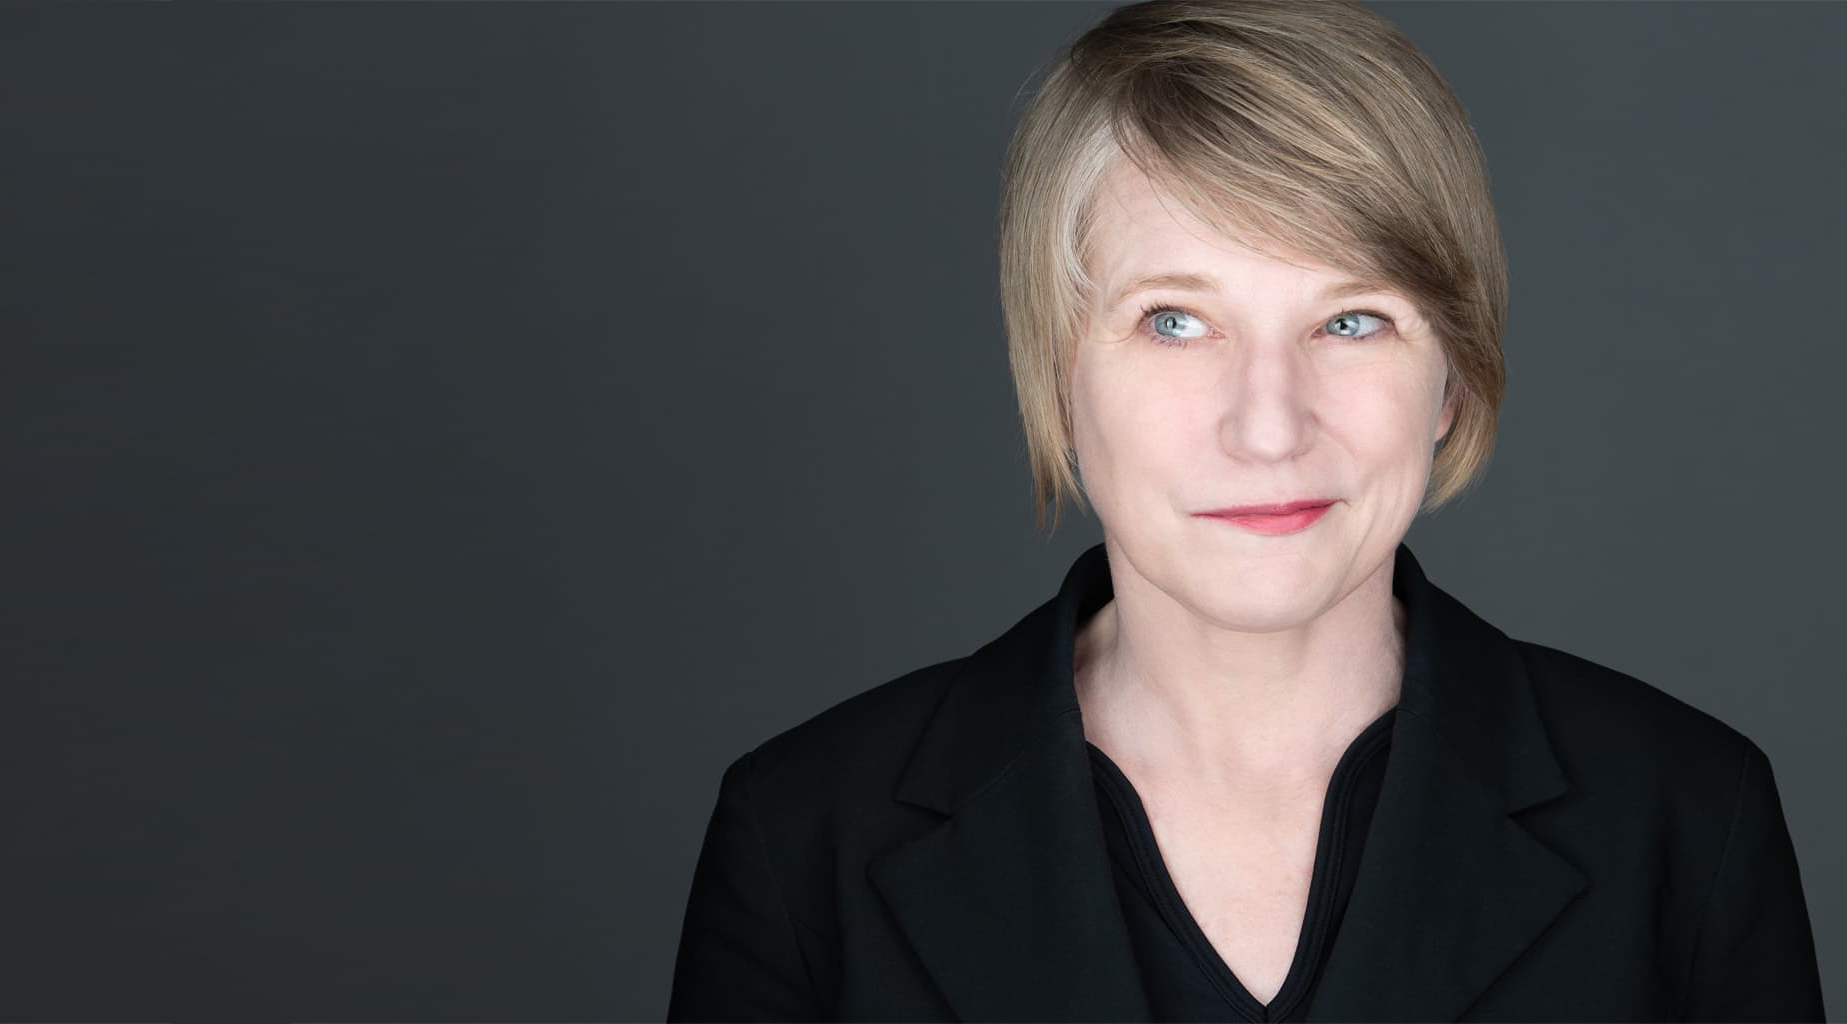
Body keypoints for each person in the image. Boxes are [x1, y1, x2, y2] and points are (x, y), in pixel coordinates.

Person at [666, 1, 1826, 1020]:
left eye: (1350, 319)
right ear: (1056, 373)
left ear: (1452, 375)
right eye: (1174, 319)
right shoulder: (804, 838)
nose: (1266, 425)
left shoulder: (1685, 818)